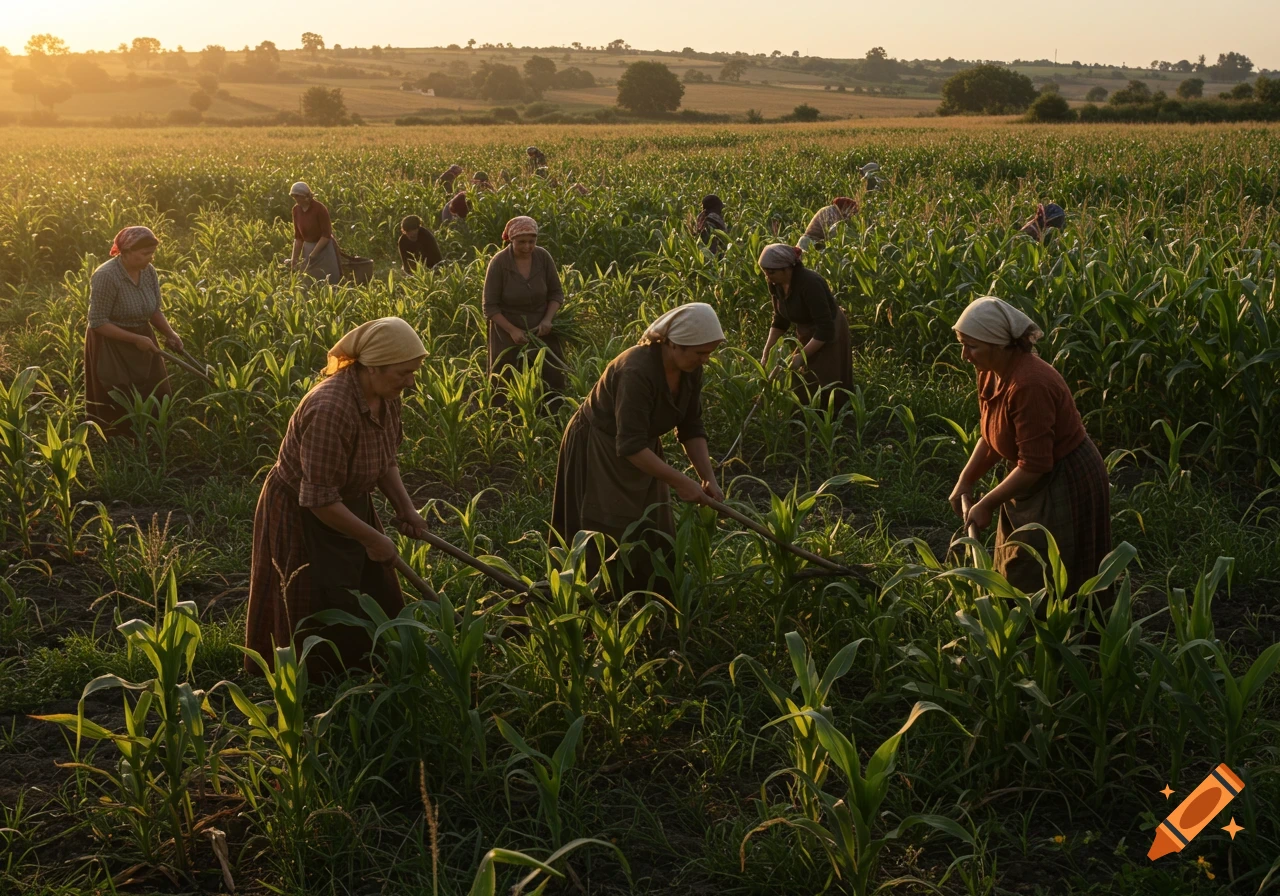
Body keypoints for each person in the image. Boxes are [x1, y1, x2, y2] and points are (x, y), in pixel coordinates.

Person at [245, 317, 432, 675]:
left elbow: (385, 460)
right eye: (403, 373)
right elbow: (317, 499)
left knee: (369, 586)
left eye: (414, 373)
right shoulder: (330, 409)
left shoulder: (386, 395)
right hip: (304, 511)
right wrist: (373, 538)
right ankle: (316, 682)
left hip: (347, 501)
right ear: (372, 368)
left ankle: (369, 664)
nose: (410, 382)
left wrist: (406, 509)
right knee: (317, 597)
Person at [551, 303, 725, 596]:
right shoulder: (636, 370)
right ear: (672, 344)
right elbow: (629, 444)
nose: (705, 360)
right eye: (699, 353)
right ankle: (599, 599)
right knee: (608, 525)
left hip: (642, 449)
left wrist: (708, 478)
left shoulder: (690, 370)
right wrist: (681, 482)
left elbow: (691, 427)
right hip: (602, 445)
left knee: (653, 523)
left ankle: (649, 597)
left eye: (708, 352)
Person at [949, 296, 1111, 598]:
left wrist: (986, 503)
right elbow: (993, 434)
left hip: (1064, 479)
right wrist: (966, 480)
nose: (964, 355)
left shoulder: (1030, 385)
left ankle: (1062, 640)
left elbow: (1036, 464)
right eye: (962, 344)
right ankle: (1020, 634)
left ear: (998, 345)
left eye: (971, 346)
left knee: (1050, 574)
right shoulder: (990, 372)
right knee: (1018, 563)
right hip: (1030, 475)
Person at [84, 226, 183, 436]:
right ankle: (120, 442)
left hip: (142, 335)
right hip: (111, 340)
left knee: (156, 390)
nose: (149, 259)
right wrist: (135, 339)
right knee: (119, 392)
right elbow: (98, 322)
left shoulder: (148, 272)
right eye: (144, 254)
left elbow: (153, 310)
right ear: (126, 252)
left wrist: (170, 334)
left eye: (151, 254)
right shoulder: (106, 276)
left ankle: (152, 434)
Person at [757, 244, 854, 411]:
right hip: (805, 330)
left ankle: (835, 421)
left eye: (771, 272)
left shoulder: (810, 284)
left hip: (828, 329)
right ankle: (806, 416)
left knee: (825, 379)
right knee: (802, 380)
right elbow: (780, 319)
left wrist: (801, 357)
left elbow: (825, 329)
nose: (767, 276)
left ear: (787, 269)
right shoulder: (775, 283)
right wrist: (767, 352)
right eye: (765, 272)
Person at [482, 216, 567, 400]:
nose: (527, 247)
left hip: (541, 330)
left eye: (532, 241)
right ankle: (506, 422)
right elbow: (490, 307)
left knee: (552, 379)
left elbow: (556, 294)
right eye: (521, 242)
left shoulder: (543, 257)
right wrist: (512, 330)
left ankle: (552, 417)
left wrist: (547, 320)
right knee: (506, 383)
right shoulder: (499, 263)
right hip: (508, 331)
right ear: (511, 240)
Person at [288, 182, 341, 283]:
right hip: (308, 248)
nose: (296, 199)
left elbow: (326, 235)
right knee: (309, 281)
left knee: (329, 280)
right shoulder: (296, 210)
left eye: (298, 196)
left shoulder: (319, 209)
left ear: (305, 196)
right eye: (294, 197)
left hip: (324, 248)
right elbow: (298, 237)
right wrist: (294, 259)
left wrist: (313, 255)